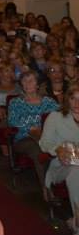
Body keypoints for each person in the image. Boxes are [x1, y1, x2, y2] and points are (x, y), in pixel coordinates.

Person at [7, 70, 59, 189]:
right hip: (24, 138)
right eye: (24, 81)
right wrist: (31, 129)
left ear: (37, 84)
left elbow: (60, 117)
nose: (27, 84)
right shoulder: (15, 102)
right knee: (37, 150)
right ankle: (47, 190)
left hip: (48, 136)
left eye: (31, 81)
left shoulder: (49, 102)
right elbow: (12, 121)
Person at [38, 85, 79, 231]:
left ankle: (75, 222)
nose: (77, 103)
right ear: (67, 100)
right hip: (60, 164)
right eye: (73, 98)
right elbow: (44, 143)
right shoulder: (55, 117)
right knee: (76, 170)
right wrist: (58, 150)